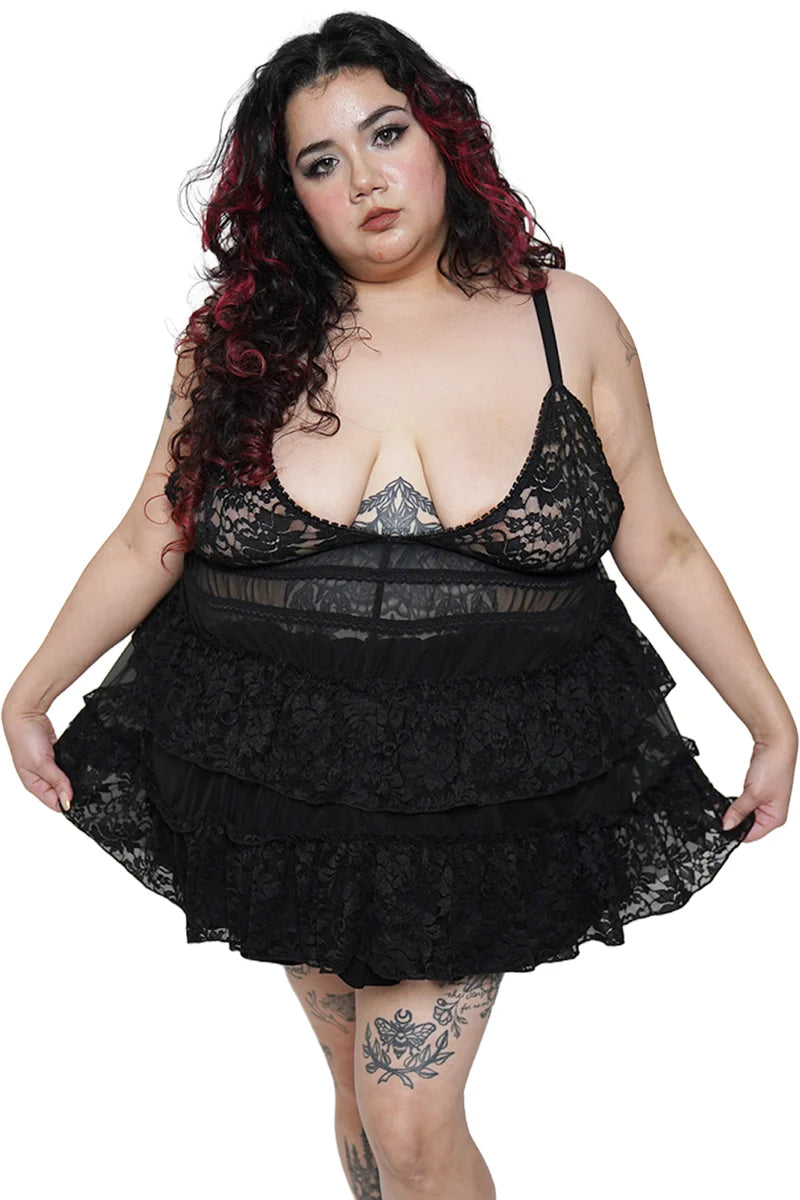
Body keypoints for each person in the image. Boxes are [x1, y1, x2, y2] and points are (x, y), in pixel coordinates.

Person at [2, 12, 795, 1200]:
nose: (364, 179)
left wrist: (769, 719)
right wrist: (29, 690)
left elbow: (661, 540)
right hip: (286, 768)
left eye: (385, 135)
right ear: (291, 197)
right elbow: (149, 534)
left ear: (441, 139)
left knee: (409, 1122)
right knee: (360, 1107)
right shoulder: (236, 345)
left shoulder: (564, 319)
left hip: (474, 779)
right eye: (321, 162)